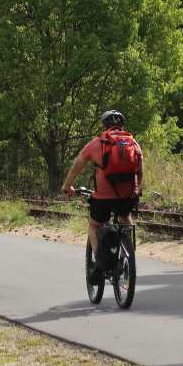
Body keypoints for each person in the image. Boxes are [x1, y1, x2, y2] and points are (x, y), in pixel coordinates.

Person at [61, 110, 143, 283]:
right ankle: (128, 252)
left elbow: (78, 164)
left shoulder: (97, 143)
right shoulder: (133, 143)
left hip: (103, 198)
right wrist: (137, 190)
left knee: (94, 224)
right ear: (122, 125)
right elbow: (140, 170)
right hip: (127, 196)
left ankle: (100, 264)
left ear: (104, 125)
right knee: (124, 217)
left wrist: (67, 186)